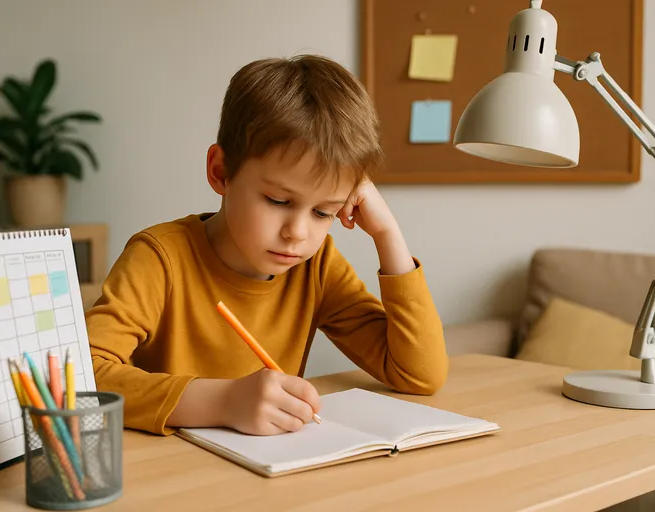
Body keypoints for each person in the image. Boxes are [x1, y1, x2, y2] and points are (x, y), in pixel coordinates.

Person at [86, 54, 448, 437]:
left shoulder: (316, 266)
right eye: (278, 201)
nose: (297, 233)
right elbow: (80, 379)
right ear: (221, 172)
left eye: (323, 212)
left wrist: (387, 234)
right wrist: (222, 403)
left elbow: (419, 374)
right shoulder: (159, 258)